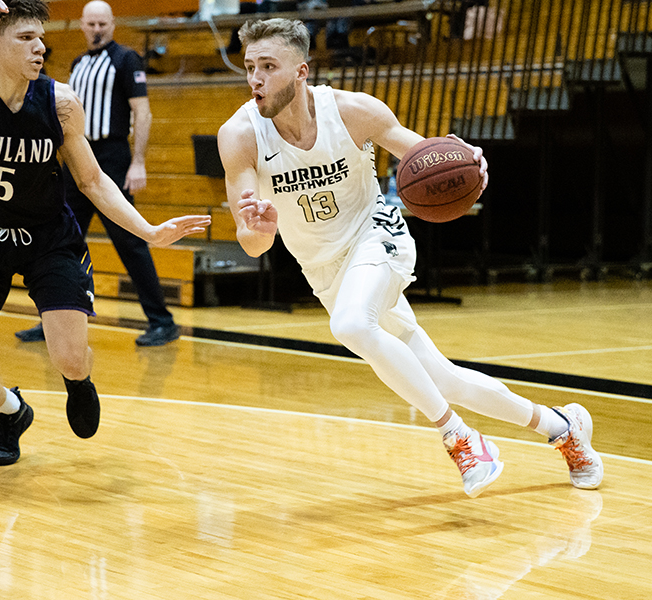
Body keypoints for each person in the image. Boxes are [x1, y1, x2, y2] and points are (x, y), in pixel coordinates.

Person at [217, 18, 603, 497]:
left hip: (376, 237)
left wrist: (467, 160)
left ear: (301, 71)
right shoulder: (239, 135)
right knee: (444, 377)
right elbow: (251, 243)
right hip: (325, 269)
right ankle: (562, 427)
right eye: (250, 66)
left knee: (353, 327)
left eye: (269, 66)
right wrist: (259, 230)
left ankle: (460, 438)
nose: (256, 77)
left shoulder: (353, 112)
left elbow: (426, 156)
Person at [0, 0, 210, 466]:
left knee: (71, 358)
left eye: (41, 37)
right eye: (26, 38)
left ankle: (79, 381)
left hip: (47, 240)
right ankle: (11, 412)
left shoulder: (60, 101)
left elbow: (92, 181)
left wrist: (148, 230)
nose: (41, 46)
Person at [15, 0, 179, 347]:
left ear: (113, 24)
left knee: (130, 241)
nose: (97, 29)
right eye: (91, 24)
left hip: (112, 157)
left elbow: (143, 113)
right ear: (82, 26)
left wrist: (138, 162)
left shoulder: (126, 59)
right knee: (61, 240)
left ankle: (162, 321)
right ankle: (54, 318)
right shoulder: (78, 63)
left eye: (103, 23)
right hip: (77, 156)